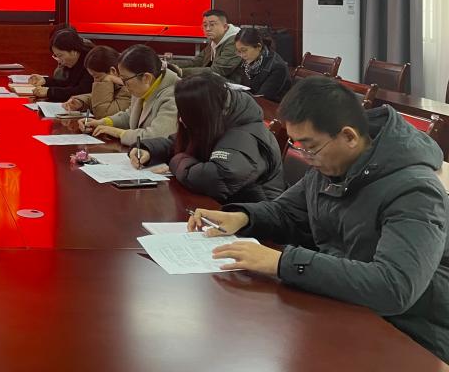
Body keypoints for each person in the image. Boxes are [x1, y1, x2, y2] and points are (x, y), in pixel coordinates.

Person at [189, 76, 449, 363]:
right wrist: (242, 217)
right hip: (346, 305)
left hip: (413, 335)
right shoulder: (331, 166)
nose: (305, 156)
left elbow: (393, 287)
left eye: (310, 147)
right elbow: (288, 212)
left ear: (349, 137)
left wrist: (282, 263)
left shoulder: (415, 191)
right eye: (298, 145)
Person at [129, 72, 284, 203]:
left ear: (202, 111)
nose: (181, 120)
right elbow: (178, 143)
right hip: (225, 207)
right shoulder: (216, 118)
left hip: (256, 215)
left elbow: (217, 178)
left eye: (186, 114)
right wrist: (149, 150)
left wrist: (176, 161)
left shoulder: (244, 133)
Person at [84, 44, 177, 146]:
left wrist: (119, 133)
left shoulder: (173, 96)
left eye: (125, 80)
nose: (124, 85)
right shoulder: (144, 87)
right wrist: (103, 122)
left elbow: (157, 136)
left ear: (146, 78)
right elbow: (130, 115)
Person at [63, 45, 132, 127]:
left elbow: (103, 114)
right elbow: (102, 98)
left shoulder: (128, 88)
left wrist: (106, 81)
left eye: (97, 77)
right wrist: (80, 102)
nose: (95, 81)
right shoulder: (118, 83)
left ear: (113, 71)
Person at [175, 8, 241, 83]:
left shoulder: (234, 41)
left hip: (234, 85)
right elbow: (196, 62)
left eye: (212, 25)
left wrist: (180, 71)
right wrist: (168, 64)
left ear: (225, 27)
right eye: (205, 25)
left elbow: (218, 71)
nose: (208, 29)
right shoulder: (215, 40)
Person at [28, 28, 94, 102]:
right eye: (56, 56)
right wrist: (45, 81)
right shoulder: (75, 61)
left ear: (74, 51)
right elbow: (68, 84)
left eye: (60, 55)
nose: (59, 60)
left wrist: (49, 92)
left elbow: (81, 91)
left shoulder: (91, 62)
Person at [234, 27, 291, 102]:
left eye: (244, 50)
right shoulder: (249, 61)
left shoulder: (277, 67)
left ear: (259, 47)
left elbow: (262, 98)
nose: (242, 55)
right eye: (239, 51)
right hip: (250, 102)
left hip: (272, 106)